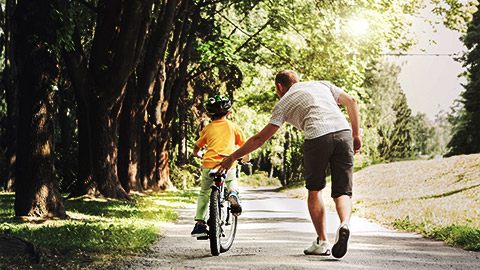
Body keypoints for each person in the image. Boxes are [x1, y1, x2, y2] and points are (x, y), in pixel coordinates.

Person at [214, 70, 361, 258]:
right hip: (343, 133)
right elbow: (352, 101)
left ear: (279, 87)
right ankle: (344, 223)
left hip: (317, 137)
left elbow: (259, 139)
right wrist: (356, 134)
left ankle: (323, 241)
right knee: (342, 191)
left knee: (315, 190)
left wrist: (233, 156)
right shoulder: (321, 84)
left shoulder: (283, 103)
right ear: (297, 81)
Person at [191, 94, 250, 238]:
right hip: (228, 162)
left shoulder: (207, 128)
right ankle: (233, 193)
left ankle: (200, 223)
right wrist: (245, 160)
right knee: (231, 180)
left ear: (210, 115)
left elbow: (197, 147)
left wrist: (199, 155)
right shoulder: (233, 127)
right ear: (228, 113)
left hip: (209, 164)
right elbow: (245, 146)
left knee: (205, 192)